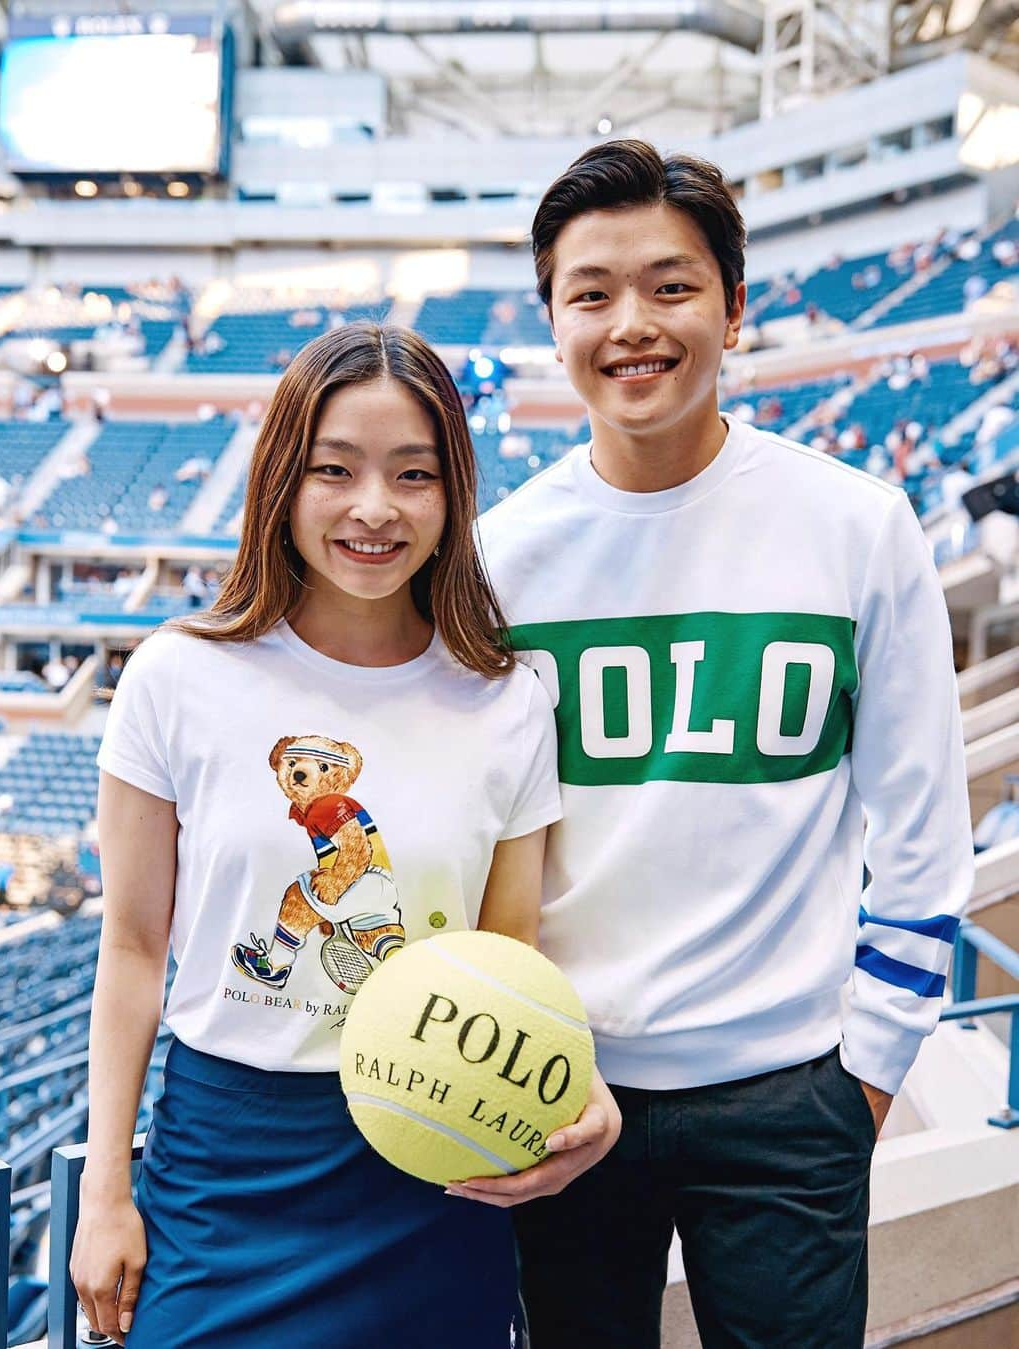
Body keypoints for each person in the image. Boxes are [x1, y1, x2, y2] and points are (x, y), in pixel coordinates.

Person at [473, 141, 973, 1347]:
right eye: (591, 293)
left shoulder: (858, 526)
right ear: (554, 322)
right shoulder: (497, 561)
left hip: (793, 1091)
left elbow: (922, 823)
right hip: (566, 1086)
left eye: (671, 284)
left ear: (734, 309)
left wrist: (863, 1076)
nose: (631, 323)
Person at [70, 322, 620, 1349]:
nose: (375, 507)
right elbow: (135, 949)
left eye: (413, 473)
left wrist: (582, 1089)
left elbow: (506, 962)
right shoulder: (174, 675)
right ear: (283, 478)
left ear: (453, 493)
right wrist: (107, 1187)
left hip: (430, 1152)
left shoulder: (506, 701)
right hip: (222, 1157)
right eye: (336, 469)